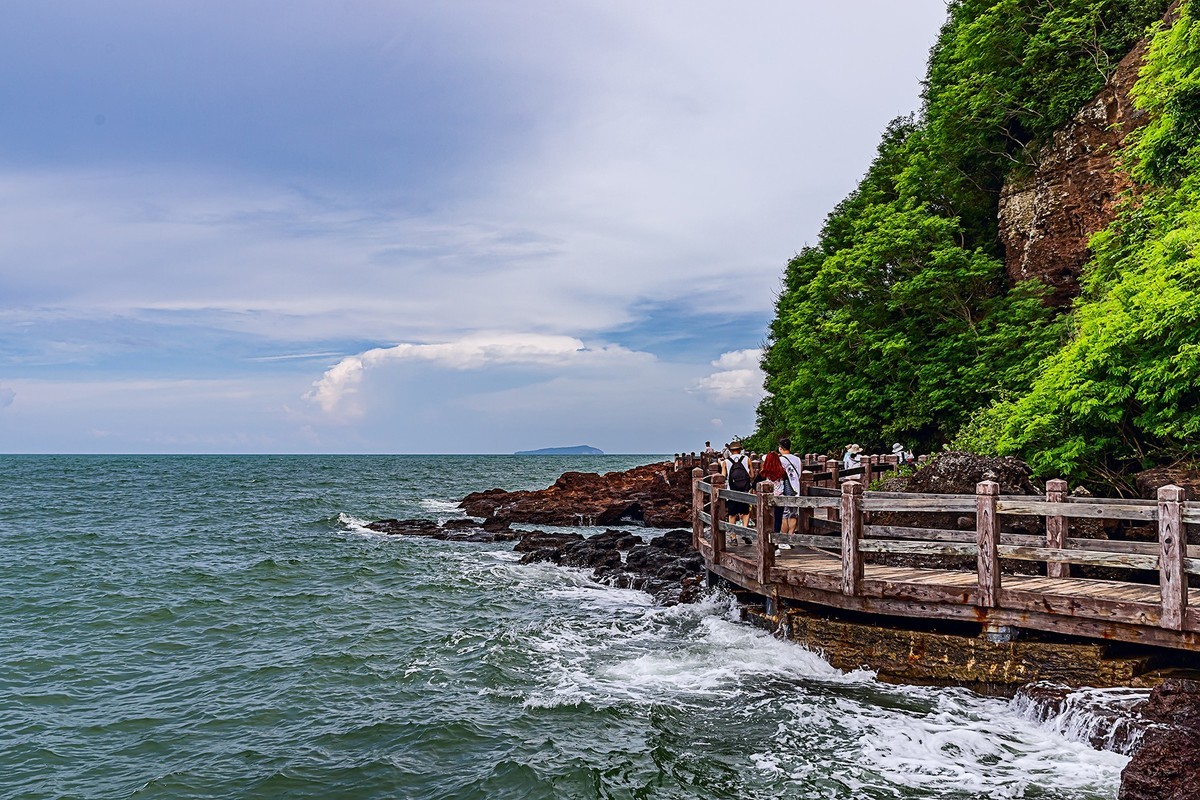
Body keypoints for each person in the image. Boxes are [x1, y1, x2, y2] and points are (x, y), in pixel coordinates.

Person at [721, 441, 754, 532]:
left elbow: (723, 477)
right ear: (740, 449)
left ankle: (733, 536)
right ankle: (744, 531)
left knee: (732, 514)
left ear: (730, 450)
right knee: (745, 512)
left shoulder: (726, 461)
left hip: (731, 491)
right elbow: (752, 475)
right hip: (744, 490)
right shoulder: (747, 459)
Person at [777, 437, 805, 536]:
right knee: (793, 514)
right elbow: (800, 475)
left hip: (784, 488)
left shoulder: (780, 460)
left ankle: (784, 538)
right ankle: (790, 536)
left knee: (784, 514)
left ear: (780, 448)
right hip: (795, 488)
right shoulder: (797, 459)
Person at [758, 451, 787, 533]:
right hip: (780, 498)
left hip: (766, 499)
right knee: (778, 519)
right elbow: (786, 484)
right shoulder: (782, 472)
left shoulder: (763, 473)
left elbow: (754, 485)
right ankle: (777, 537)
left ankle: (767, 538)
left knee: (766, 519)